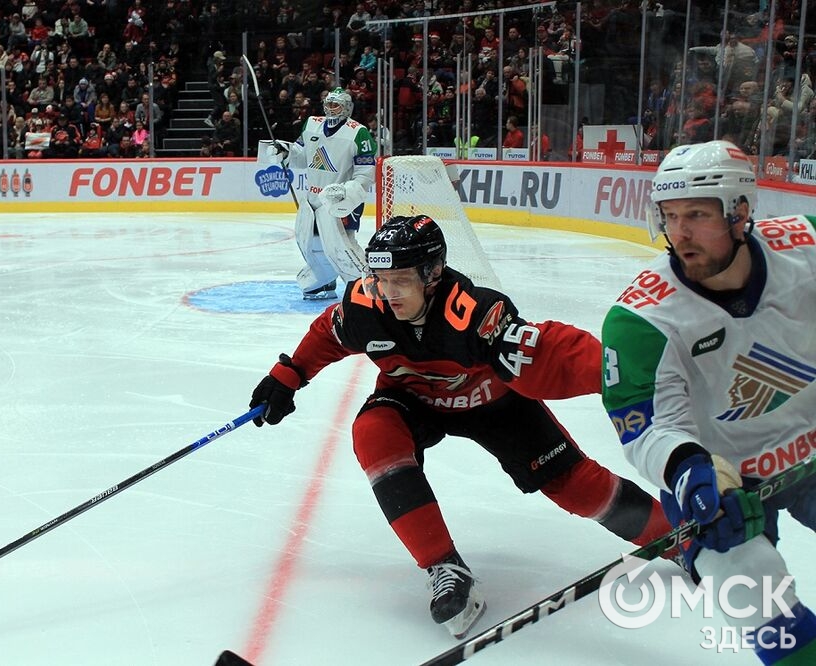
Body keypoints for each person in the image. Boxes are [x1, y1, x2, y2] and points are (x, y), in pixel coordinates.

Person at [249, 214, 673, 638]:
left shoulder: (476, 315)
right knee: (374, 431)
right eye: (379, 278)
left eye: (399, 280)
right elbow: (329, 332)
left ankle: (679, 536)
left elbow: (551, 353)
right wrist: (289, 375)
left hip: (495, 404)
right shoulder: (366, 305)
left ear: (431, 274)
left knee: (578, 487)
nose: (386, 292)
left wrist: (615, 373)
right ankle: (443, 565)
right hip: (412, 399)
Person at [600, 140, 816, 664]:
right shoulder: (640, 319)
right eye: (670, 216)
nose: (680, 233)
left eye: (697, 214)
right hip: (717, 487)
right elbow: (648, 428)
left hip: (809, 455)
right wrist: (689, 472)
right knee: (759, 598)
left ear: (741, 211)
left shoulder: (809, 246)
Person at [264, 87, 376, 300]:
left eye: (336, 105)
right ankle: (322, 283)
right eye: (328, 104)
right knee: (310, 244)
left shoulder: (358, 132)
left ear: (347, 108)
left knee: (341, 247)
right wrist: (286, 153)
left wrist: (347, 192)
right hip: (312, 201)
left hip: (338, 201)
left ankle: (366, 289)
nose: (331, 109)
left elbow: (365, 174)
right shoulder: (312, 125)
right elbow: (300, 155)